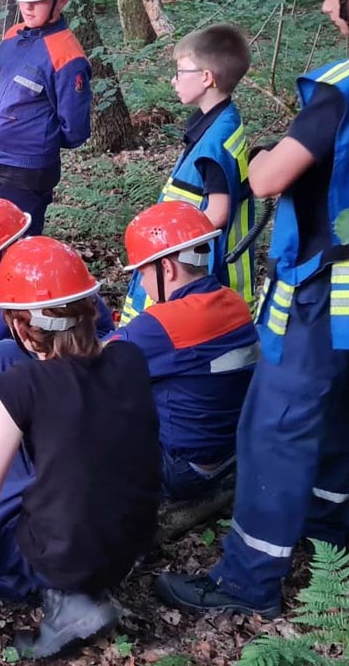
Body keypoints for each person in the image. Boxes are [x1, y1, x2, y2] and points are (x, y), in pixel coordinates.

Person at [156, 0, 349, 619]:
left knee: (274, 424)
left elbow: (267, 179)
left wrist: (270, 153)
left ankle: (247, 583)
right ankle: (327, 542)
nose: (323, 5)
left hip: (325, 286)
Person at [0, 237, 160, 658]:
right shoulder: (129, 358)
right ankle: (53, 556)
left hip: (69, 556)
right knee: (1, 357)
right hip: (130, 541)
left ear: (22, 325)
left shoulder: (27, 388)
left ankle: (56, 596)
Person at [106, 202, 259, 501]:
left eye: (142, 273)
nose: (143, 284)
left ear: (166, 267)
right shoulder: (233, 302)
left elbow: (90, 361)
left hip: (180, 471)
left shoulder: (164, 324)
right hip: (229, 455)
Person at [0, 199, 115, 414]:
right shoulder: (30, 262)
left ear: (6, 251)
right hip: (63, 354)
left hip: (85, 362)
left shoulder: (31, 276)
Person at [120, 25, 255, 325]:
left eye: (181, 71)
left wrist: (165, 243)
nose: (174, 80)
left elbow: (217, 213)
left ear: (207, 78)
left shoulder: (217, 139)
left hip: (195, 273)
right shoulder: (216, 125)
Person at [0, 0, 92, 236]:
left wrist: (35, 140)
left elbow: (75, 130)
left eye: (37, 1)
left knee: (18, 251)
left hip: (26, 176)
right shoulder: (13, 36)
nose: (27, 8)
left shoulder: (67, 55)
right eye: (23, 0)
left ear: (62, 0)